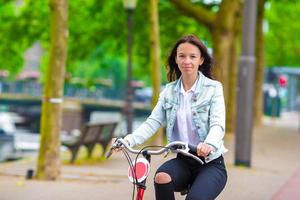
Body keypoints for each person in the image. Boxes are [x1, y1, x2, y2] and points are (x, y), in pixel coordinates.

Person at [123, 34, 227, 200]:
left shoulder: (213, 88)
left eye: (193, 56)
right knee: (161, 177)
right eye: (182, 56)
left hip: (210, 163)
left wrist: (209, 143)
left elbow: (218, 124)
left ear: (201, 60)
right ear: (176, 60)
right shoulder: (169, 91)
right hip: (183, 161)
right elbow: (153, 122)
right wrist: (128, 140)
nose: (187, 61)